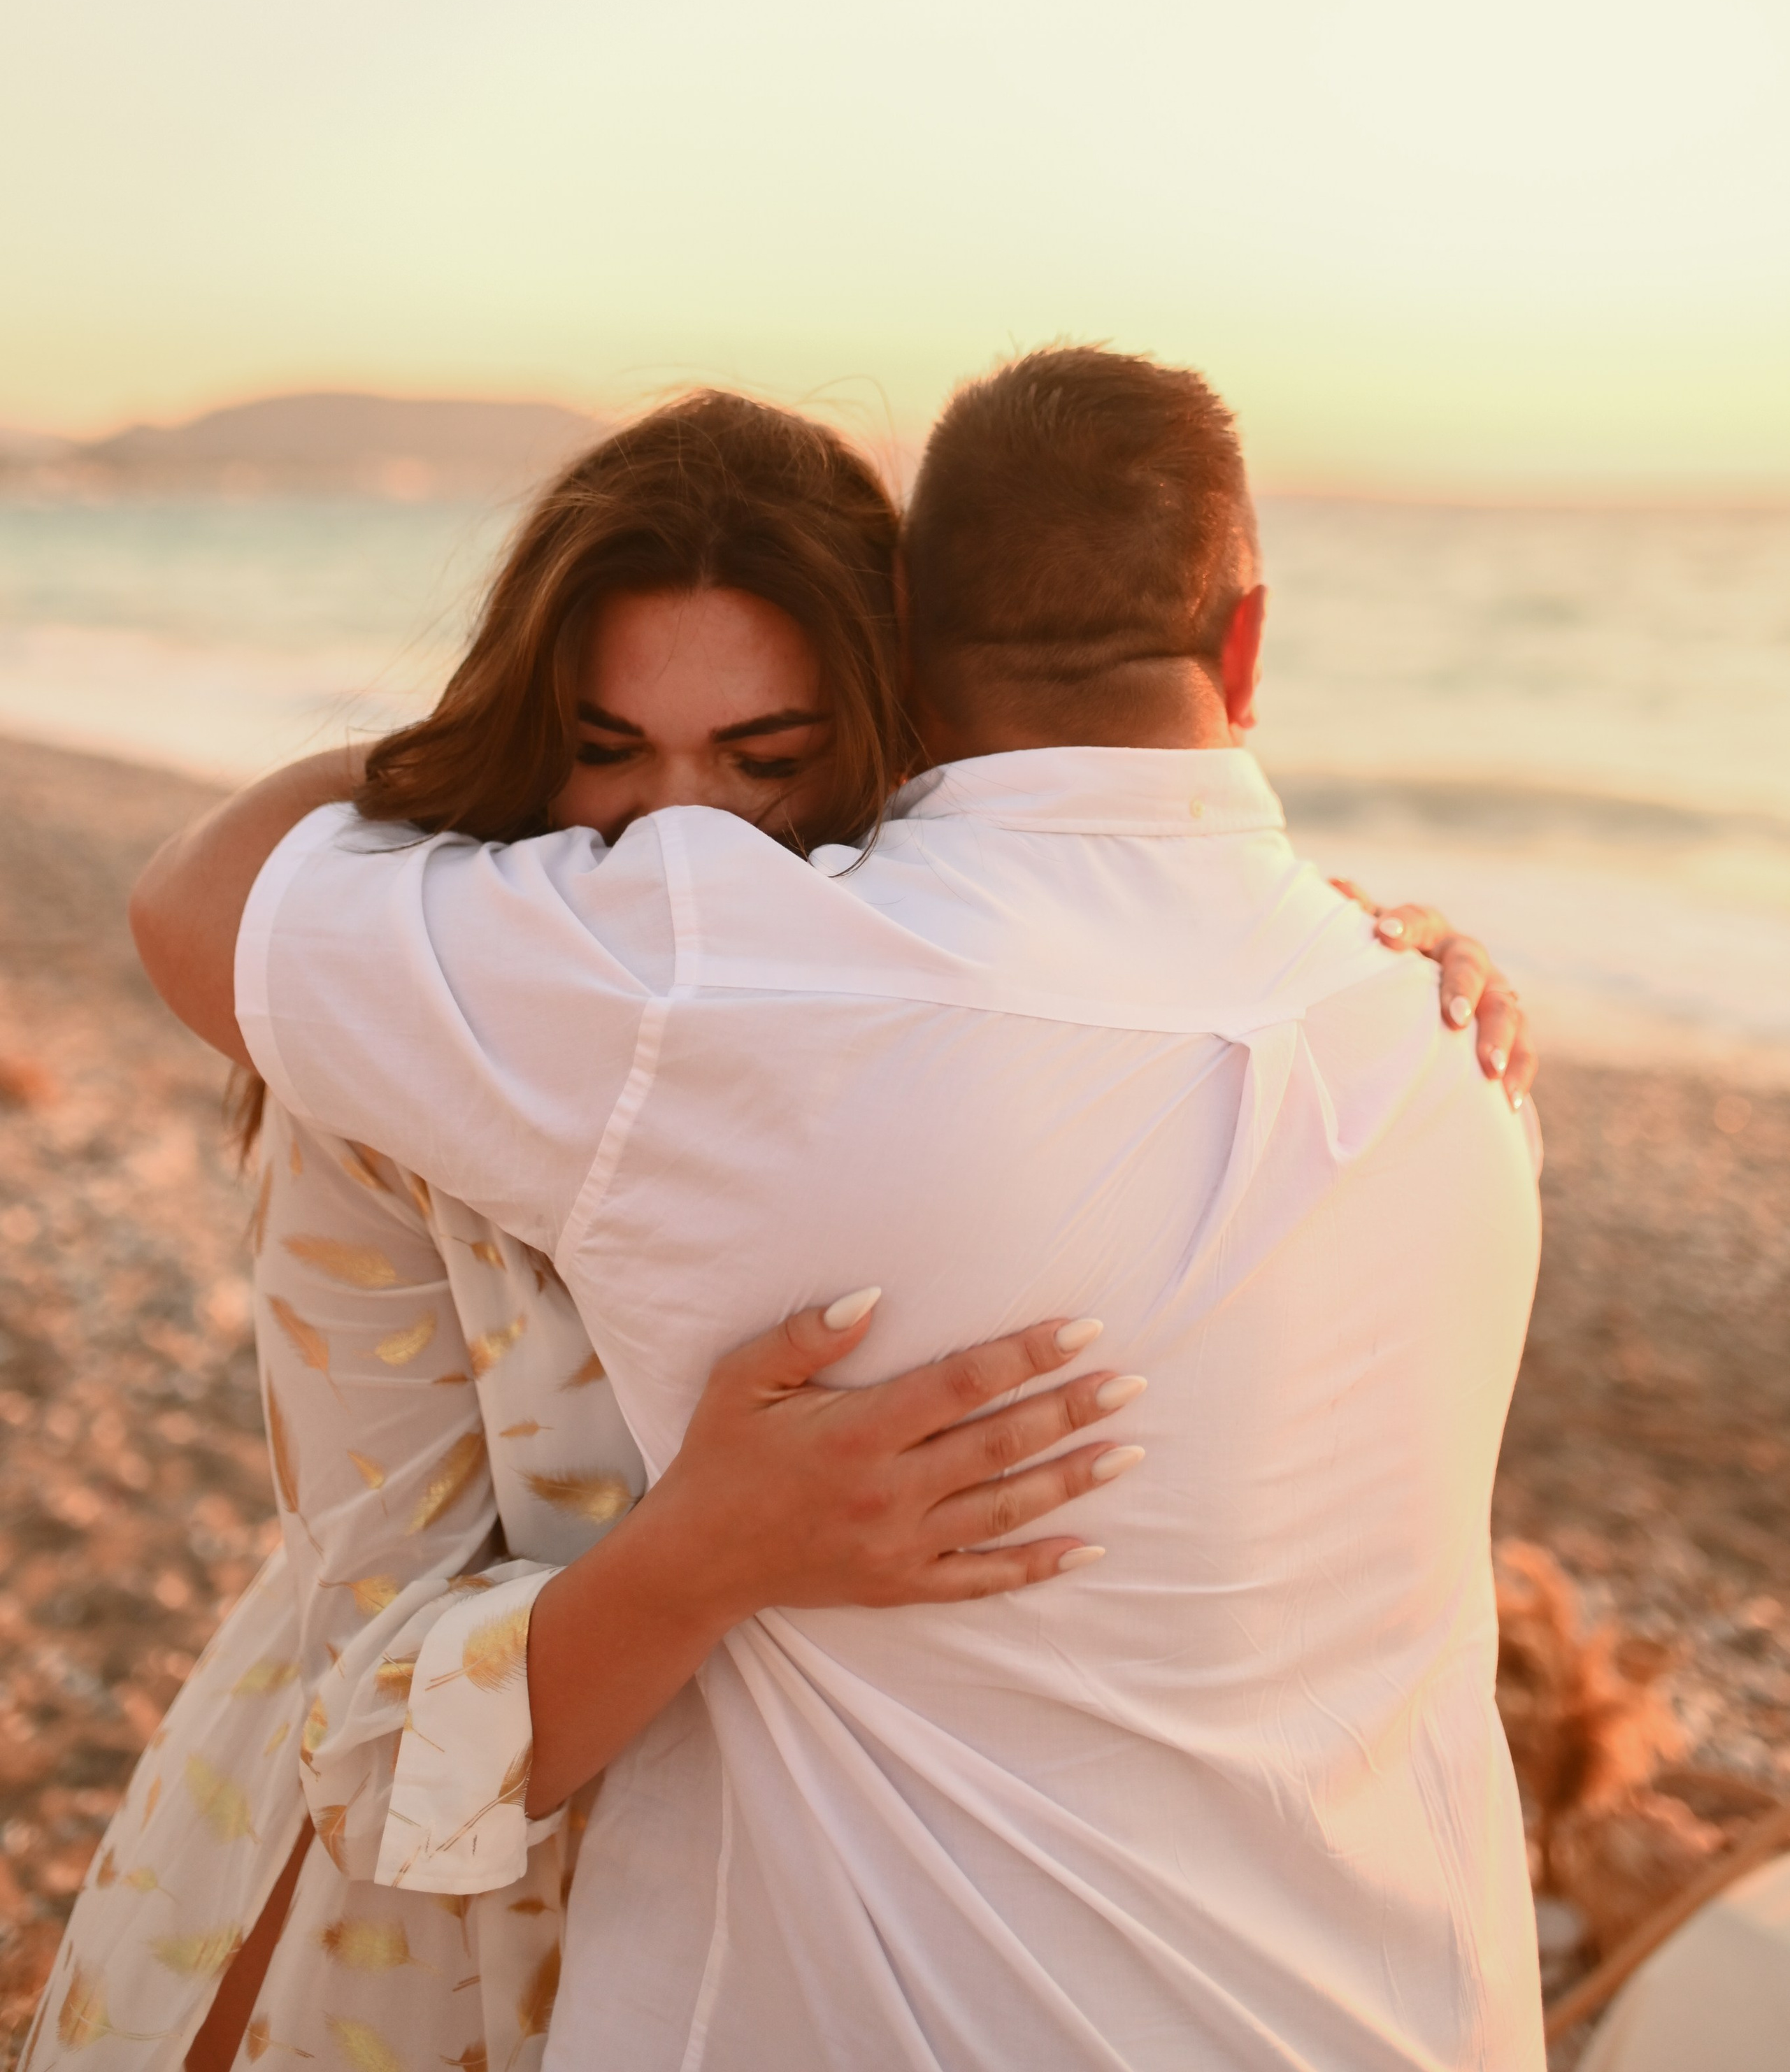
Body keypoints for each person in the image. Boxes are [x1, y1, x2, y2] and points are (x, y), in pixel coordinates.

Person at [124, 352, 1544, 2069]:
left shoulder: (926, 1007)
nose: (677, 836)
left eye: (762, 756)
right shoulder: (416, 1083)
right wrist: (702, 1556)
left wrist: (1353, 949)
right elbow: (366, 1749)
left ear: (903, 704)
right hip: (450, 1968)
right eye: (601, 750)